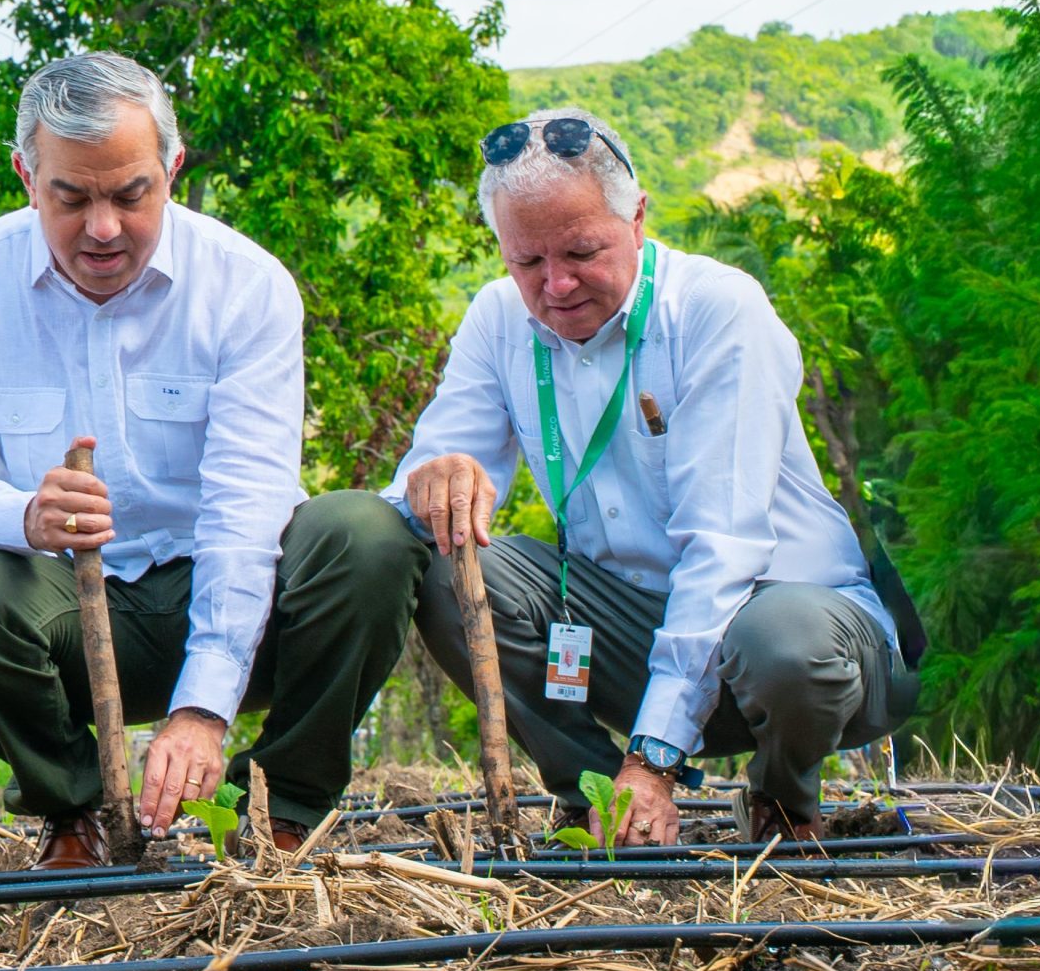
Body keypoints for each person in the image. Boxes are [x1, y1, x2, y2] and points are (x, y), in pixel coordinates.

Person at [0, 52, 431, 870]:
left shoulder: (248, 286)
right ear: (25, 176)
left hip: (231, 605)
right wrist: (23, 516)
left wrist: (204, 710)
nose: (102, 227)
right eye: (71, 197)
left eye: (130, 194)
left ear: (172, 168)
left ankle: (280, 806)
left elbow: (247, 513)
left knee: (370, 535)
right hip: (64, 606)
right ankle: (77, 811)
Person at [352, 107, 918, 844]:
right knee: (442, 558)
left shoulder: (716, 309)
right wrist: (438, 474)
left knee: (784, 644)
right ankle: (594, 792)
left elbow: (725, 550)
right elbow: (427, 478)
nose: (555, 284)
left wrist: (655, 756)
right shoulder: (498, 320)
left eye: (582, 251)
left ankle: (781, 797)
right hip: (634, 634)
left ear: (639, 218)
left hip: (796, 635)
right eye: (527, 262)